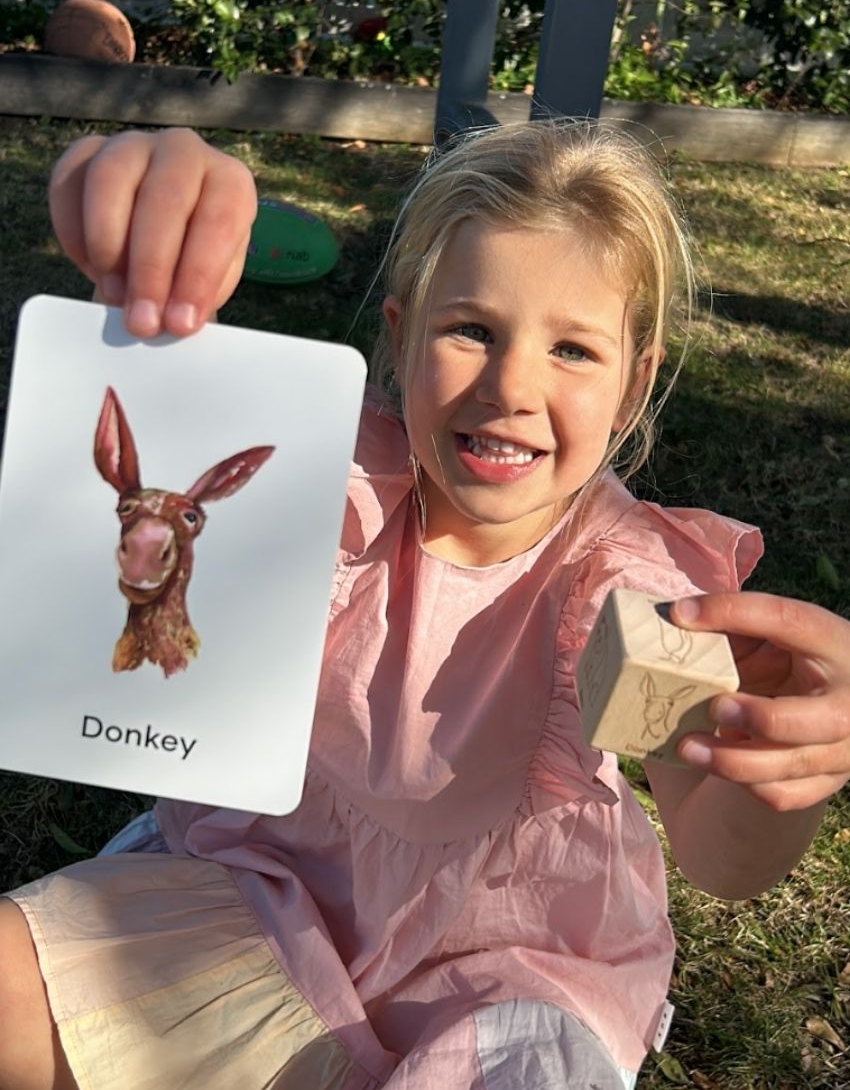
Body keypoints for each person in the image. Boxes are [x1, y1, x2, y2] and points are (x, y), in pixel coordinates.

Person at [1, 121, 849, 1090]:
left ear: (632, 384)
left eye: (573, 348)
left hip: (506, 977)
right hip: (267, 888)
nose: (511, 386)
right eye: (470, 330)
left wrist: (781, 770)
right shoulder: (318, 477)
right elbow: (144, 429)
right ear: (399, 337)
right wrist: (144, 207)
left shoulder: (632, 585)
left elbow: (720, 854)